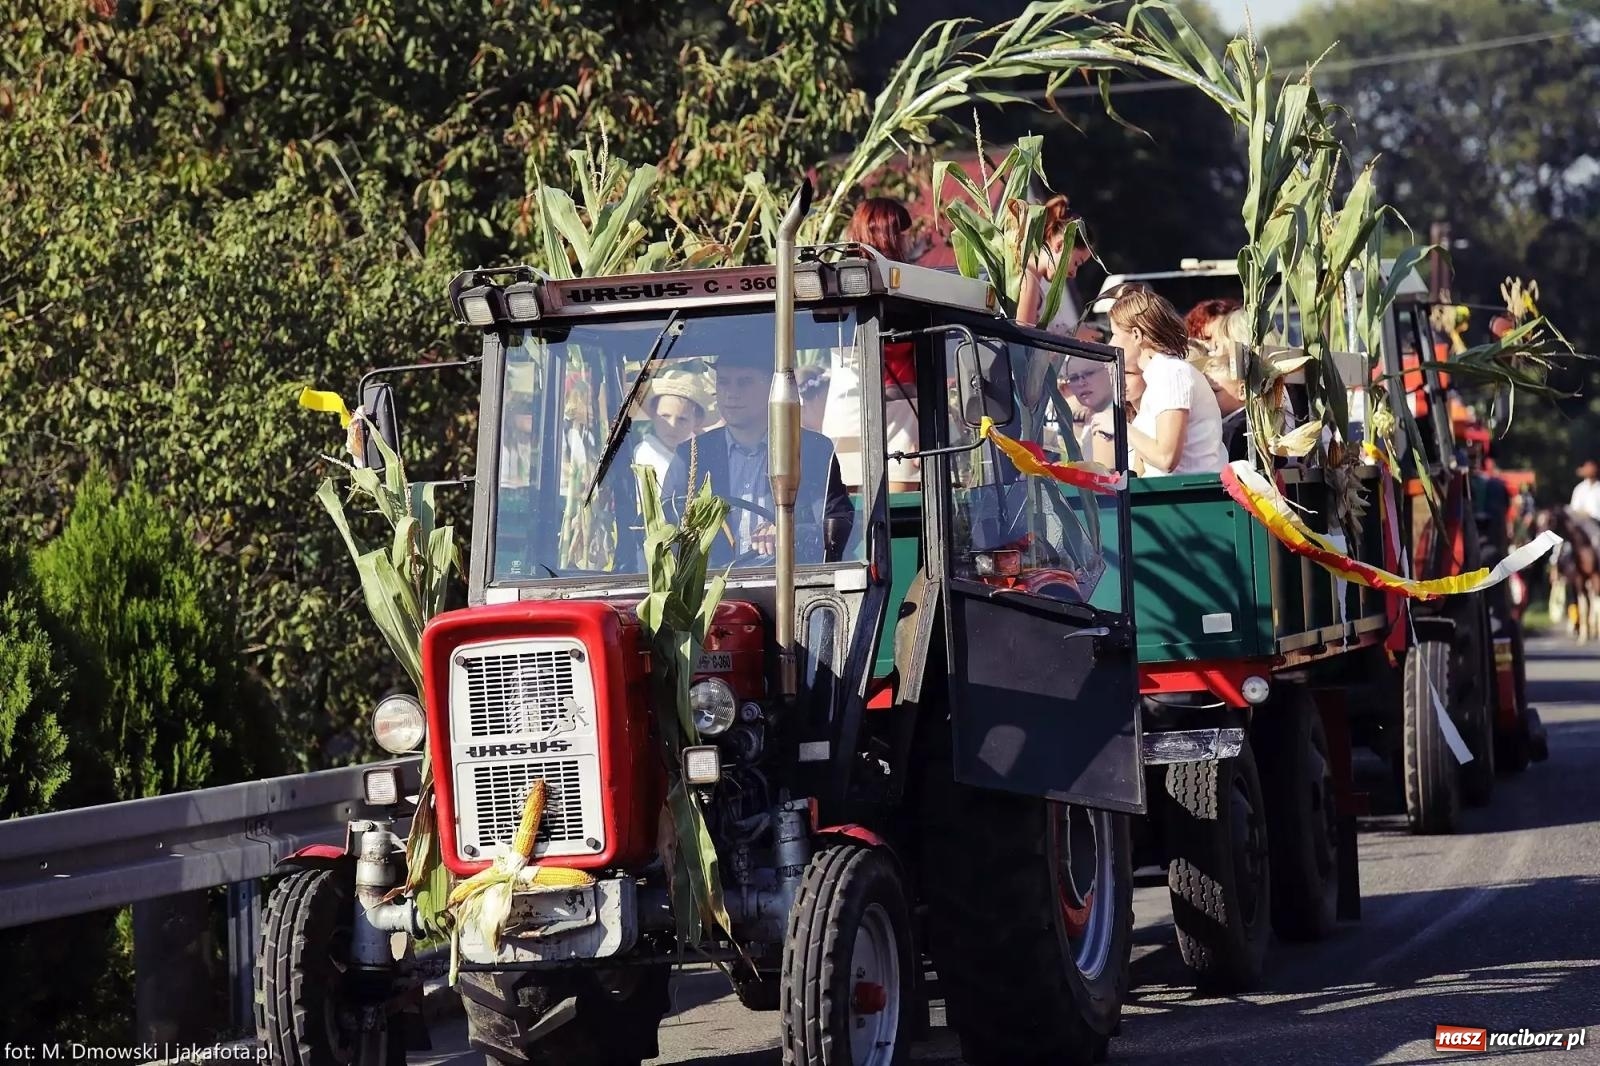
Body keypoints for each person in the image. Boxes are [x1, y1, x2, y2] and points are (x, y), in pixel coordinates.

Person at [663, 347, 855, 564]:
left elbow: (838, 525)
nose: (731, 394)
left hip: (792, 578)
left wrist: (790, 533)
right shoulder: (691, 455)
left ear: (773, 388)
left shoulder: (811, 449)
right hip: (711, 583)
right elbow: (666, 529)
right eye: (724, 382)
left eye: (744, 382)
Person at [844, 197, 922, 491]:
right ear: (885, 234)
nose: (907, 239)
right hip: (861, 408)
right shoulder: (843, 285)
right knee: (851, 509)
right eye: (901, 232)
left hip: (898, 410)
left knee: (897, 507)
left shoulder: (907, 285)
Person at [1108, 289, 1225, 476]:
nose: (1110, 344)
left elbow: (1166, 458)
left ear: (1136, 335)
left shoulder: (1172, 373)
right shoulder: (1159, 376)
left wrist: (1117, 424)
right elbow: (1142, 470)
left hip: (1189, 492)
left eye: (1114, 334)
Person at [1017, 195, 1096, 336]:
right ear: (1060, 245)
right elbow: (1023, 341)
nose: (1073, 274)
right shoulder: (1028, 281)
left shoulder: (1029, 279)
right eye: (1076, 263)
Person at [633, 370, 708, 484]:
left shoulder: (688, 455)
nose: (672, 426)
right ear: (653, 413)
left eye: (682, 419)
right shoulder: (647, 453)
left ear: (696, 421)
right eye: (665, 416)